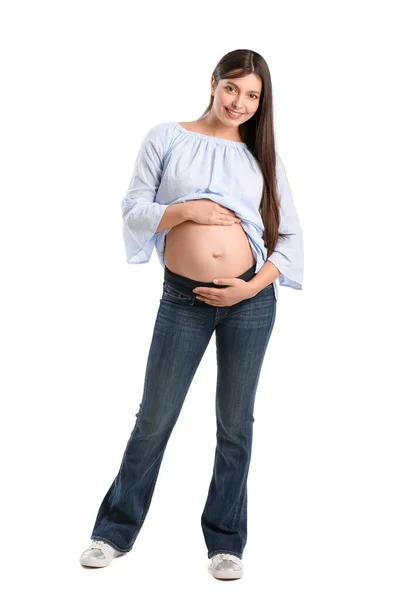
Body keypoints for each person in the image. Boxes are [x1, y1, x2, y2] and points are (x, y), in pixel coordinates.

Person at [79, 48, 304, 580]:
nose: (240, 103)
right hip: (183, 300)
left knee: (235, 424)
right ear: (213, 82)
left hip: (250, 304)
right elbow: (135, 208)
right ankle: (112, 533)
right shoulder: (167, 137)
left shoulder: (261, 156)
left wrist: (248, 289)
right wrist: (186, 211)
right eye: (233, 89)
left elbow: (291, 239)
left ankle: (226, 543)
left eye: (253, 96)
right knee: (154, 417)